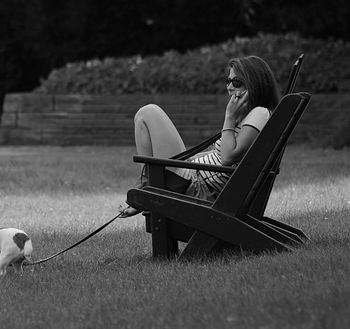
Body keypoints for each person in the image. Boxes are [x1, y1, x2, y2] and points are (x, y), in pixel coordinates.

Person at [119, 55, 281, 218]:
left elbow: (227, 158)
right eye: (228, 81)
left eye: (236, 82)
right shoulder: (250, 116)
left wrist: (229, 117)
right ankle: (147, 191)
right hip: (195, 180)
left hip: (198, 190)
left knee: (148, 113)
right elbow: (220, 156)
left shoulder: (260, 113)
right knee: (143, 116)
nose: (229, 87)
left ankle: (147, 192)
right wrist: (190, 160)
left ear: (254, 83)